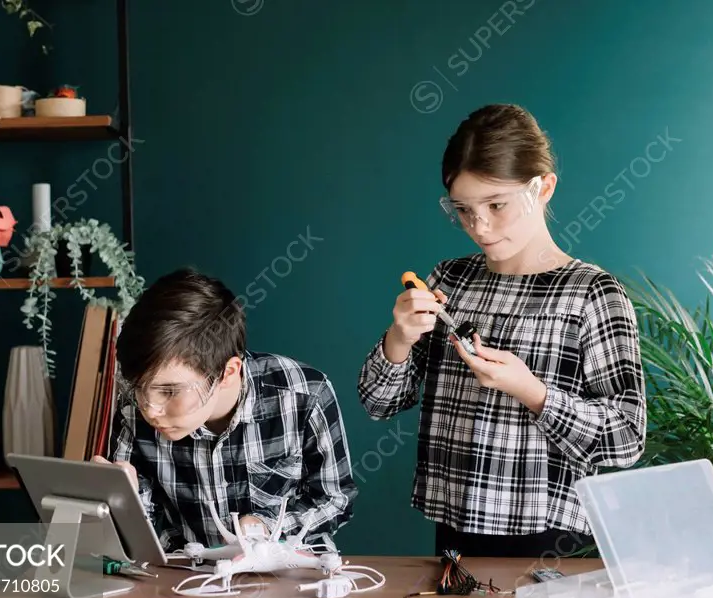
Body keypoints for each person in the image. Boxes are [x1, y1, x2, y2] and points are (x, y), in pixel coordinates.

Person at [357, 103, 647, 559]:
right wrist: (399, 338)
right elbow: (378, 402)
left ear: (544, 187)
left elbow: (627, 436)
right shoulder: (449, 279)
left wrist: (532, 391)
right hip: (454, 527)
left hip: (548, 536)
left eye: (496, 205)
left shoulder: (592, 293)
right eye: (464, 210)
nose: (480, 226)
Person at [95, 267, 357, 553]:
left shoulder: (305, 394)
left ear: (227, 372)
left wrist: (267, 528)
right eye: (140, 388)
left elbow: (336, 500)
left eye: (170, 391)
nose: (150, 408)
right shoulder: (135, 408)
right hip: (187, 575)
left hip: (291, 572)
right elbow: (130, 538)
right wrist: (120, 502)